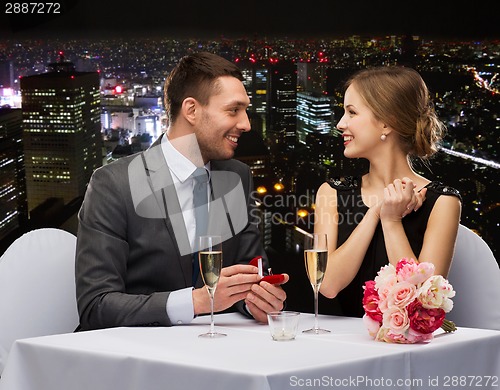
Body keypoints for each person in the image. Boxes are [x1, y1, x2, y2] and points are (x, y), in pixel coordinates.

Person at [75, 52, 288, 330]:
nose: (246, 124)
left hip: (221, 354)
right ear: (191, 110)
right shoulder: (113, 184)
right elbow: (96, 306)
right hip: (137, 359)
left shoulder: (237, 176)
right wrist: (198, 301)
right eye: (233, 110)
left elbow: (249, 273)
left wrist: (256, 301)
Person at [314, 66, 462, 317]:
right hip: (339, 345)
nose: (340, 124)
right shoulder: (331, 192)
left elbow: (423, 300)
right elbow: (327, 285)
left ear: (386, 122)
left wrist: (391, 220)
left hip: (406, 351)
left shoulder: (443, 203)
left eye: (351, 112)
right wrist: (374, 212)